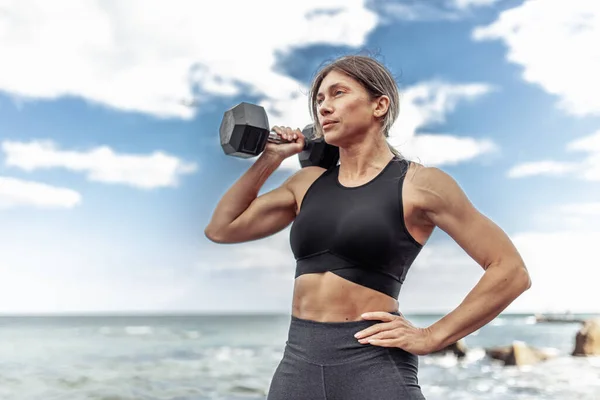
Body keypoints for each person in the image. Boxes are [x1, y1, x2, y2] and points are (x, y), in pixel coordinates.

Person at [204, 54, 531, 399]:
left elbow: (510, 270)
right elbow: (222, 228)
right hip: (298, 364)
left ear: (380, 106)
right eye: (319, 100)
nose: (324, 108)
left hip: (373, 366)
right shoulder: (306, 183)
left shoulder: (422, 185)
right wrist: (271, 159)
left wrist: (432, 336)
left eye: (338, 93)